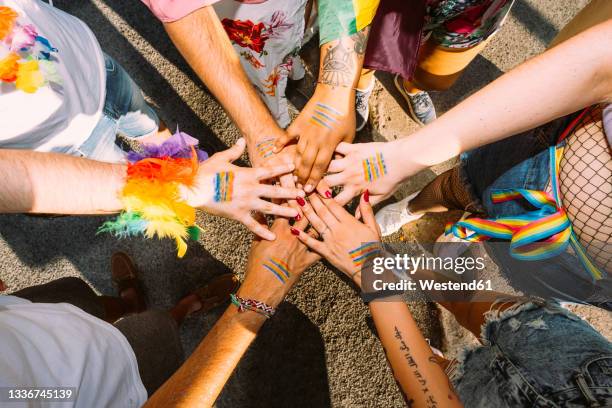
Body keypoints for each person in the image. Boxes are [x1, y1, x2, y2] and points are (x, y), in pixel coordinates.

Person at [321, 15, 612, 305]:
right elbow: (595, 66)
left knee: (506, 271)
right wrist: (406, 156)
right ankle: (411, 208)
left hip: (577, 272)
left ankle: (472, 227)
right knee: (459, 186)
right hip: (537, 168)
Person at [291, 191, 612, 407]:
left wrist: (369, 269)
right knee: (464, 304)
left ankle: (436, 358)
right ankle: (394, 270)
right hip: (585, 363)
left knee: (447, 376)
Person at [0, 215, 321, 407]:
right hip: (108, 376)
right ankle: (185, 308)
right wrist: (257, 295)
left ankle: (129, 304)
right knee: (157, 330)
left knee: (77, 294)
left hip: (23, 313)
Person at [141, 0, 382, 194]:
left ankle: (290, 64)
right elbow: (178, 6)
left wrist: (335, 90)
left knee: (288, 39)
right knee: (260, 64)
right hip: (232, 11)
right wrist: (259, 130)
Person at [0, 0, 171, 163]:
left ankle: (188, 172)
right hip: (62, 139)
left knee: (153, 131)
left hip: (91, 65)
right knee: (136, 186)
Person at [357, 0, 515, 128]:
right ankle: (361, 84)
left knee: (434, 78)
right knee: (369, 45)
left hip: (477, 8)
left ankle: (411, 86)